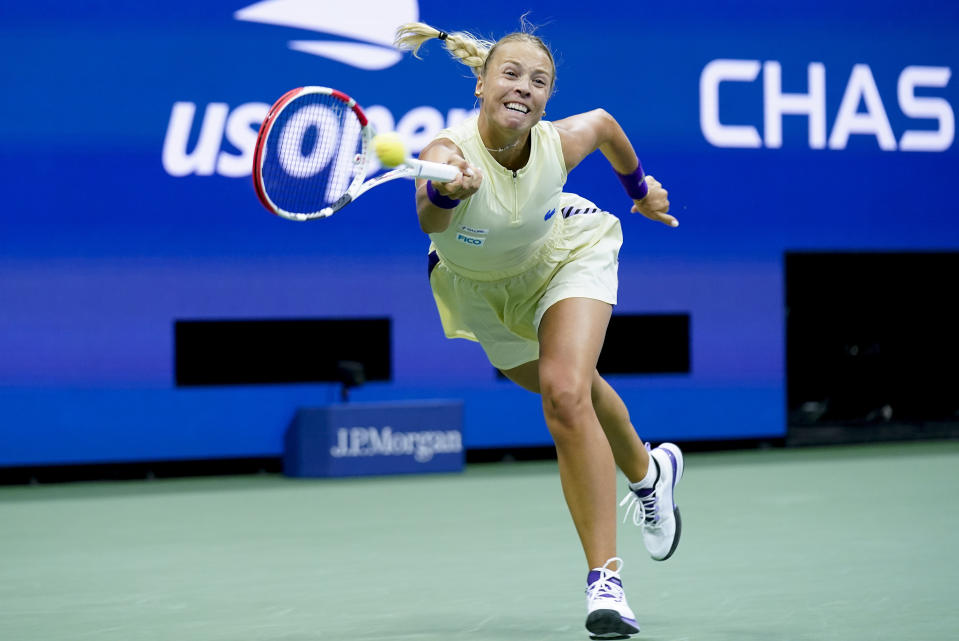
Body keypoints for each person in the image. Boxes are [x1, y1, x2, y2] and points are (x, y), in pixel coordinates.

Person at [394, 19, 684, 639]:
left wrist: (640, 192)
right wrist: (450, 194)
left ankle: (605, 581)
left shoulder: (559, 141)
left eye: (539, 80)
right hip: (479, 290)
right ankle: (650, 472)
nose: (524, 87)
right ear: (481, 83)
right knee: (573, 388)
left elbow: (606, 124)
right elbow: (429, 221)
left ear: (548, 96)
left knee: (563, 392)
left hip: (565, 253)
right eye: (510, 73)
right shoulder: (447, 154)